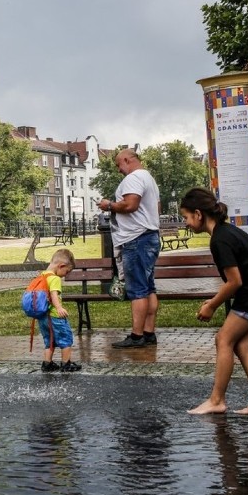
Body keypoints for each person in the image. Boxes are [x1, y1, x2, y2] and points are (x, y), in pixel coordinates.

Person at [180, 187, 248, 416]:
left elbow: (234, 281)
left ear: (198, 214)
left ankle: (217, 400)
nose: (186, 223)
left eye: (186, 217)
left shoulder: (220, 239)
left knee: (223, 340)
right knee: (241, 345)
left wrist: (211, 305)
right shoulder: (227, 231)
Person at [97, 148, 161, 348]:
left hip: (136, 239)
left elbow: (130, 205)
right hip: (149, 236)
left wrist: (109, 205)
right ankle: (149, 332)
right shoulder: (149, 178)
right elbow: (156, 209)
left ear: (127, 160)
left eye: (118, 165)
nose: (118, 170)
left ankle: (137, 336)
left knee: (137, 289)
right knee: (148, 287)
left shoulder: (133, 178)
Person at [37, 248, 81, 373]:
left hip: (43, 316)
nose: (65, 275)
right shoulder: (55, 278)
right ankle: (66, 363)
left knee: (49, 340)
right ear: (61, 266)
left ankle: (47, 363)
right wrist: (59, 308)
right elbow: (54, 294)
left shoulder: (42, 275)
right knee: (66, 337)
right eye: (66, 272)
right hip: (55, 316)